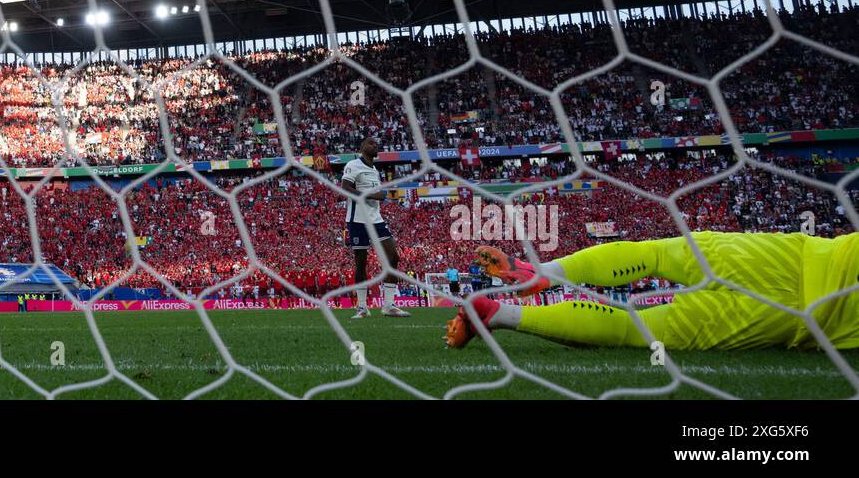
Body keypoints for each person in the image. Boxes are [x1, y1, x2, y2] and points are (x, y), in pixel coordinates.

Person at [445, 232, 859, 351]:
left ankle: (543, 272)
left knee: (654, 254)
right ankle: (501, 314)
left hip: (793, 251)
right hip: (806, 313)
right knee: (634, 328)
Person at [340, 136, 410, 319]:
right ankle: (362, 307)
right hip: (357, 220)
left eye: (376, 143)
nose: (375, 145)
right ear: (362, 147)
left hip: (376, 219)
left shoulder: (375, 170)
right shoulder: (354, 165)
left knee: (393, 257)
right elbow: (345, 187)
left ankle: (389, 305)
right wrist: (371, 195)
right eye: (371, 143)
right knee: (361, 261)